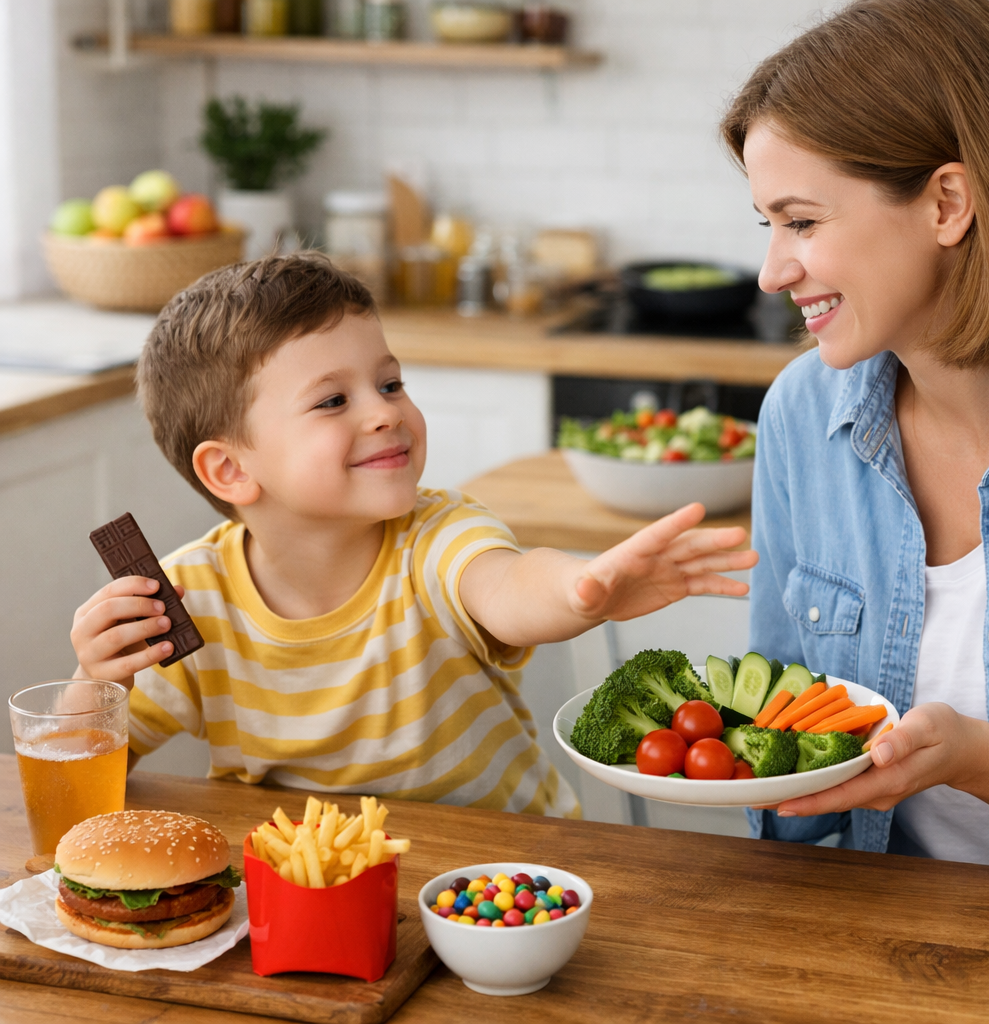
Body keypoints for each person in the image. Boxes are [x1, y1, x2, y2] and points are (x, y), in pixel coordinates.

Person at [69, 253, 756, 815]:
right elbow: (82, 779)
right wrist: (94, 682)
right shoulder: (191, 599)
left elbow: (507, 585)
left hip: (503, 879)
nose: (384, 413)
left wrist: (581, 591)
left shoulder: (436, 535)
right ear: (230, 469)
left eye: (390, 383)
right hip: (317, 891)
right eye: (335, 400)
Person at [721, 0, 989, 866]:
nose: (774, 271)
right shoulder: (800, 415)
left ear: (947, 203)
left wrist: (981, 763)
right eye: (768, 225)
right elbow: (778, 752)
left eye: (803, 221)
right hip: (872, 938)